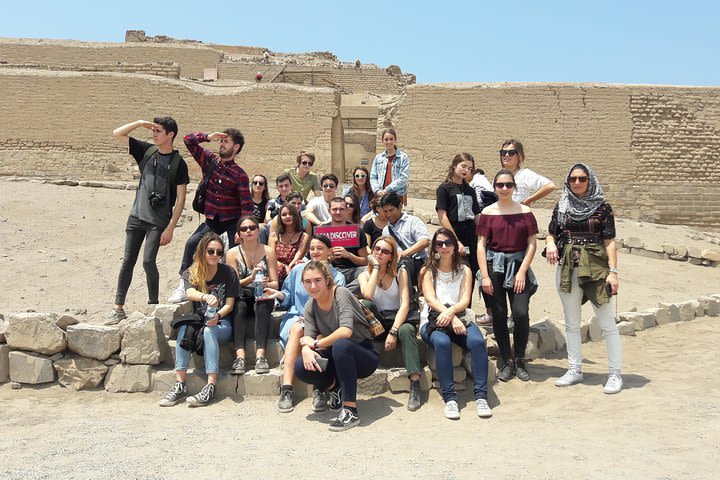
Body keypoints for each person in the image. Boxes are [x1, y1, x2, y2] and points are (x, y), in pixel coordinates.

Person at [545, 163, 622, 394]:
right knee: (571, 322)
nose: (577, 183)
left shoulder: (602, 207)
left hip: (596, 269)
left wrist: (613, 272)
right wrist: (550, 243)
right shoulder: (563, 204)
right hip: (568, 268)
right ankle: (574, 369)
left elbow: (609, 241)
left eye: (582, 178)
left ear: (590, 180)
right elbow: (552, 232)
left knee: (607, 322)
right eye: (572, 179)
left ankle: (615, 374)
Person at [109, 117, 189, 322]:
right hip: (136, 215)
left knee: (147, 261)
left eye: (158, 131)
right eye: (153, 130)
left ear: (170, 134)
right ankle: (118, 307)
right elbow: (118, 133)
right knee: (128, 261)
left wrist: (171, 227)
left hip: (158, 221)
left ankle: (153, 305)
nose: (153, 134)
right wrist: (138, 122)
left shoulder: (178, 164)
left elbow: (181, 198)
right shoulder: (146, 150)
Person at [168, 128, 253, 303]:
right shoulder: (209, 161)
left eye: (226, 142)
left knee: (231, 254)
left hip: (231, 221)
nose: (222, 144)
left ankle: (231, 289)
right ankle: (184, 285)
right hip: (212, 219)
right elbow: (188, 140)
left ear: (236, 147)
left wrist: (241, 229)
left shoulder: (240, 174)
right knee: (192, 243)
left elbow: (247, 205)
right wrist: (207, 137)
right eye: (221, 141)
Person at [263, 235, 345, 413]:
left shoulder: (337, 277)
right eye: (312, 248)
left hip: (323, 323)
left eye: (320, 248)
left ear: (329, 251)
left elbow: (337, 309)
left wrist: (313, 320)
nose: (315, 252)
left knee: (314, 332)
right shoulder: (298, 269)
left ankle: (319, 388)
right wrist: (278, 295)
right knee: (297, 329)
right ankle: (287, 389)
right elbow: (287, 298)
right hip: (296, 318)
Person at [294, 261, 379, 431]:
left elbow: (345, 331)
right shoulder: (311, 305)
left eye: (317, 280)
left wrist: (316, 343)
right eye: (307, 282)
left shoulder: (341, 293)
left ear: (327, 280)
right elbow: (308, 339)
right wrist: (305, 350)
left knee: (341, 345)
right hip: (337, 356)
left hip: (363, 355)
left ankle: (350, 410)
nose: (313, 286)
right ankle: (335, 387)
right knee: (300, 366)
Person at [420, 228, 492, 419]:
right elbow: (430, 299)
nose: (444, 247)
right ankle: (450, 399)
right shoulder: (427, 270)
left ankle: (481, 396)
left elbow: (464, 299)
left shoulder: (465, 270)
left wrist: (453, 314)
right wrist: (450, 316)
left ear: (454, 245)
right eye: (439, 244)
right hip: (434, 319)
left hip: (460, 316)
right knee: (442, 343)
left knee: (477, 342)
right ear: (434, 247)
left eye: (448, 243)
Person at [159, 232, 237, 407]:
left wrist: (217, 316)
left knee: (210, 331)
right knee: (185, 328)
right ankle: (180, 384)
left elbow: (230, 304)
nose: (215, 255)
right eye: (211, 251)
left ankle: (211, 386)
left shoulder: (228, 272)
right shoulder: (192, 272)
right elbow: (189, 293)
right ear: (203, 251)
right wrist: (205, 297)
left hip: (222, 323)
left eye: (219, 252)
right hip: (200, 320)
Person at [477, 169, 539, 383]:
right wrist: (484, 276)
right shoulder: (487, 212)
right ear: (494, 187)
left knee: (521, 313)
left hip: (518, 266)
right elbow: (481, 245)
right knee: (500, 314)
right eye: (500, 185)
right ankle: (506, 360)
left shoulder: (524, 211)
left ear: (514, 187)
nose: (504, 189)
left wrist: (522, 271)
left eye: (508, 185)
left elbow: (532, 242)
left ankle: (520, 358)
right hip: (495, 266)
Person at [358, 236, 422, 411]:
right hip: (377, 325)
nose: (379, 253)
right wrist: (376, 268)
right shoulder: (364, 274)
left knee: (408, 329)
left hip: (398, 321)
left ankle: (415, 383)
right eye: (377, 249)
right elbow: (368, 295)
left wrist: (393, 331)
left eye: (385, 251)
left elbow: (405, 304)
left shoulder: (400, 272)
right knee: (365, 305)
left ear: (391, 256)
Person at [225, 216, 279, 375]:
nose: (248, 231)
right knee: (239, 306)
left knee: (262, 304)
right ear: (239, 233)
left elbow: (275, 283)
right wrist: (251, 278)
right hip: (242, 295)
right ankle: (240, 356)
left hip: (262, 294)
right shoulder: (232, 253)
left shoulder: (268, 251)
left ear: (258, 230)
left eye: (252, 227)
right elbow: (233, 284)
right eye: (243, 229)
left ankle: (260, 355)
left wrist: (265, 284)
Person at [435, 153, 483, 299]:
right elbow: (442, 215)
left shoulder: (470, 190)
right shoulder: (444, 188)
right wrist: (455, 241)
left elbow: (476, 215)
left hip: (472, 236)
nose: (466, 170)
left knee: (473, 271)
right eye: (463, 166)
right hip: (453, 235)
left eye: (470, 168)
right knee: (456, 272)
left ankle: (467, 309)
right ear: (454, 165)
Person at [380, 192, 430, 287]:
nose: (388, 214)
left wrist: (403, 254)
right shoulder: (386, 230)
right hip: (396, 265)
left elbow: (425, 241)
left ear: (400, 206)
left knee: (402, 268)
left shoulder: (413, 222)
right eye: (385, 211)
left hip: (417, 263)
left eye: (391, 210)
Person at [319, 197, 369, 291]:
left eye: (341, 209)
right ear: (329, 210)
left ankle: (343, 293)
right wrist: (329, 257)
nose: (338, 212)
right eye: (334, 209)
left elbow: (365, 261)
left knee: (370, 271)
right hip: (329, 270)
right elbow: (315, 258)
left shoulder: (357, 231)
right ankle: (344, 293)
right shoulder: (322, 231)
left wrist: (349, 255)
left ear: (347, 210)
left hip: (352, 271)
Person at [498, 139, 556, 206]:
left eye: (511, 153)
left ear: (519, 155)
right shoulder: (500, 176)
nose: (506, 155)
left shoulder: (525, 174)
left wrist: (528, 200)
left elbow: (550, 186)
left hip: (519, 214)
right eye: (503, 152)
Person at [267, 203, 310, 286]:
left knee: (299, 265)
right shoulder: (274, 235)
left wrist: (289, 267)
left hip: (294, 265)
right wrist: (283, 266)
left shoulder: (304, 236)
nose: (287, 216)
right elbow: (271, 256)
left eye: (290, 214)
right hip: (277, 266)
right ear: (280, 218)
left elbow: (299, 255)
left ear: (295, 216)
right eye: (284, 214)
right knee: (278, 267)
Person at [370, 129, 410, 204]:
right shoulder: (378, 158)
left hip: (396, 196)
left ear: (395, 140)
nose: (389, 142)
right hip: (381, 196)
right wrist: (377, 190)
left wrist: (388, 189)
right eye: (386, 139)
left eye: (391, 139)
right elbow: (373, 176)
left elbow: (404, 178)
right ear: (382, 141)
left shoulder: (403, 157)